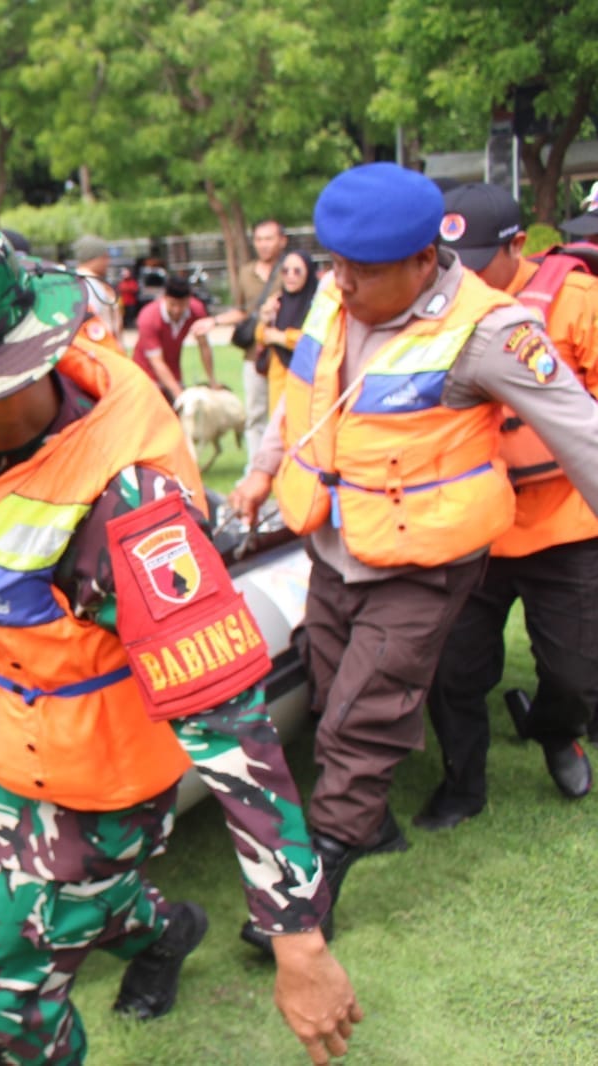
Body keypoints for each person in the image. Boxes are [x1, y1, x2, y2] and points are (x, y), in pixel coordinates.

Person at [0, 220, 359, 1066]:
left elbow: (232, 728)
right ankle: (166, 927)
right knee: (82, 894)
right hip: (14, 742)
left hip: (100, 780)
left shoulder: (123, 515)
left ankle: (140, 927)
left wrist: (298, 939)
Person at [229, 163, 598, 944]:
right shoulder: (335, 298)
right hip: (333, 548)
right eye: (335, 265)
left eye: (361, 271)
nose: (341, 284)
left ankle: (305, 900)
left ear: (422, 260)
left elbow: (582, 436)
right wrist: (261, 471)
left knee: (359, 720)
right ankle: (373, 826)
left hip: (421, 565)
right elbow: (301, 398)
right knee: (333, 695)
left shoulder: (491, 330)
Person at [419, 182, 598, 827]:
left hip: (565, 524)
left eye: (472, 261)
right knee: (453, 668)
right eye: (447, 259)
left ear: (518, 245)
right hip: (474, 526)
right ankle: (464, 785)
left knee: (579, 674)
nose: (456, 276)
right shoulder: (432, 306)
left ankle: (556, 728)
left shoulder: (577, 299)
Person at [212, 220, 288, 460]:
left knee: (286, 412)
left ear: (282, 241)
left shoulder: (292, 269)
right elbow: (243, 311)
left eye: (269, 239)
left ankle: (286, 468)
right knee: (255, 415)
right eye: (259, 239)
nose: (264, 245)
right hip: (255, 355)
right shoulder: (246, 272)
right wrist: (214, 322)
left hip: (286, 355)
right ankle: (257, 467)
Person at [132, 273, 216, 401]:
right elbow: (156, 362)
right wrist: (179, 394)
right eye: (172, 304)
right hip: (146, 374)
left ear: (189, 299)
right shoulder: (148, 317)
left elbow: (204, 345)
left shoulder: (197, 310)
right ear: (164, 298)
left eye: (182, 305)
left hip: (174, 371)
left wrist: (212, 381)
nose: (177, 310)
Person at [257, 250, 318, 413]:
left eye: (297, 271)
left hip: (308, 378)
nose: (290, 275)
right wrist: (265, 318)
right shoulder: (278, 301)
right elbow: (261, 337)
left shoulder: (318, 304)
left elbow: (315, 341)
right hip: (279, 377)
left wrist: (282, 337)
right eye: (285, 271)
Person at [72, 233, 123, 335]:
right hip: (101, 345)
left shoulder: (79, 280)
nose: (108, 262)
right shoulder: (88, 283)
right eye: (105, 257)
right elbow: (90, 325)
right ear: (95, 258)